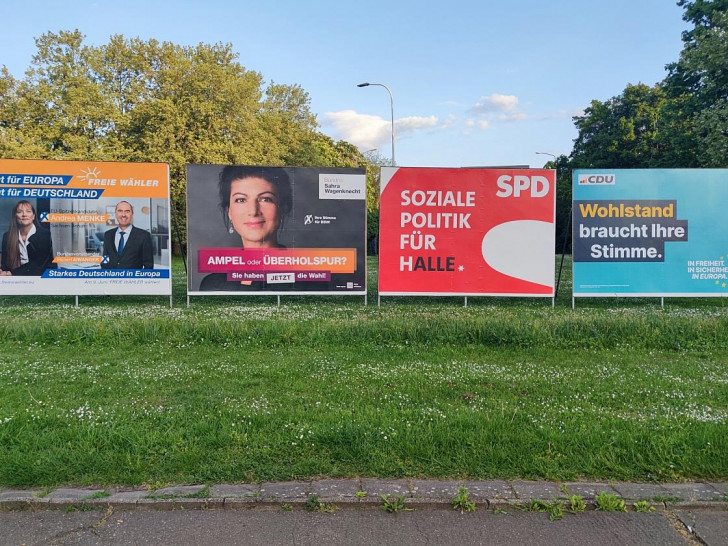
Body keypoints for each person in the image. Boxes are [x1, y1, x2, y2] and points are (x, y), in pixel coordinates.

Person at [200, 166, 310, 291]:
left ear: (283, 208)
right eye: (240, 200)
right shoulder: (212, 284)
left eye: (265, 199)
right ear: (229, 211)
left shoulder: (309, 280)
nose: (253, 211)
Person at [1, 200, 55, 276]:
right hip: (15, 279)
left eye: (28, 211)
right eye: (20, 212)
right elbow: (5, 265)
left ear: (33, 216)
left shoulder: (44, 234)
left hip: (40, 277)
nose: (24, 215)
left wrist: (10, 273)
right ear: (15, 216)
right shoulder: (7, 236)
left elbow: (38, 264)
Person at [101, 201, 153, 269]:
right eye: (120, 211)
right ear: (116, 214)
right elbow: (105, 260)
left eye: (127, 211)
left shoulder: (144, 236)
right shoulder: (108, 235)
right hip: (112, 278)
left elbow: (148, 266)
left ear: (132, 214)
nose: (123, 215)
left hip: (133, 279)